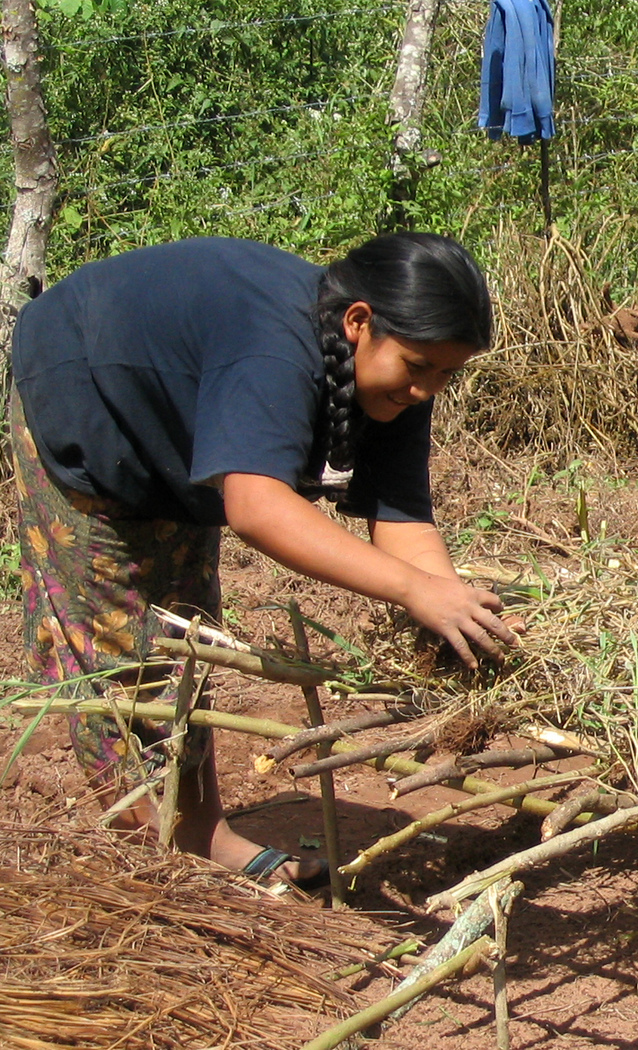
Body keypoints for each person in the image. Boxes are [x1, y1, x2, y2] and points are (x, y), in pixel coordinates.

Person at [11, 233, 519, 887]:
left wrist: (460, 614)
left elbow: (401, 519)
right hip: (85, 391)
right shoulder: (276, 346)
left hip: (173, 426)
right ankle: (160, 865)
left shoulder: (398, 380)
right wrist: (412, 591)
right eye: (419, 367)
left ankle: (197, 836)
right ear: (358, 322)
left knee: (181, 637)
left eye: (447, 374)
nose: (427, 389)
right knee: (115, 651)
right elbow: (255, 506)